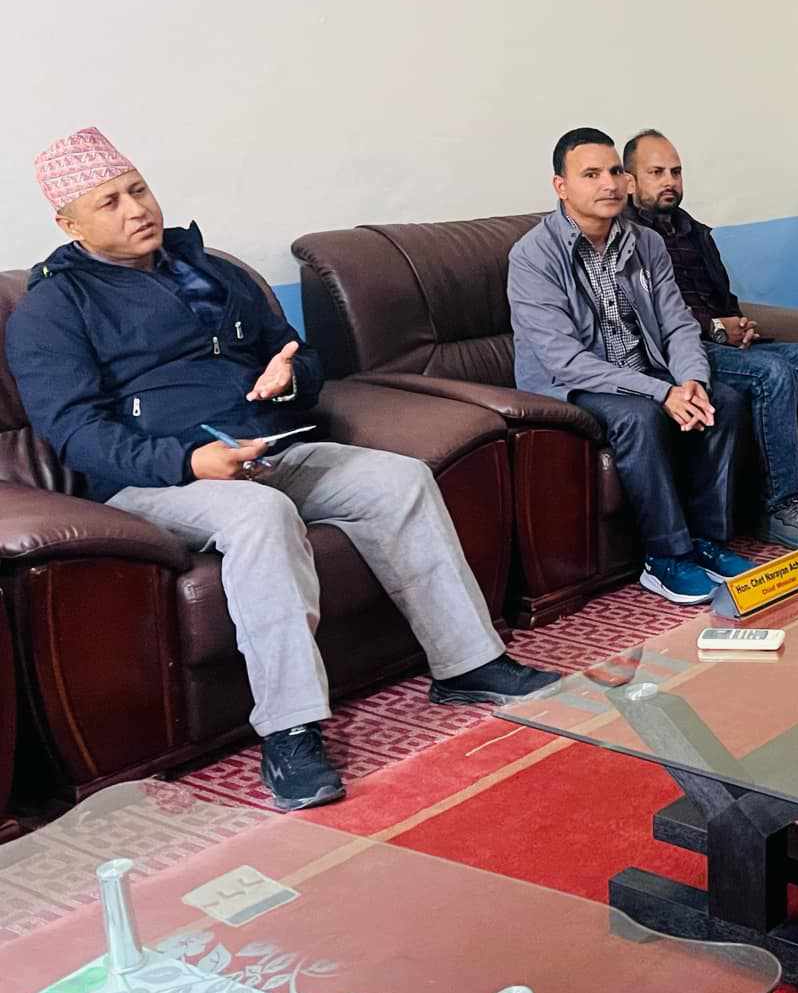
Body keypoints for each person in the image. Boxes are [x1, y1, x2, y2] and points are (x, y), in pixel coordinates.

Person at [5, 128, 559, 812]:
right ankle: (291, 730)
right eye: (110, 202)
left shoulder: (214, 270)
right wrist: (187, 460)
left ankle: (469, 663)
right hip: (153, 481)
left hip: (268, 449)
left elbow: (299, 357)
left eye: (138, 189)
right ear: (70, 225)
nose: (137, 209)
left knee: (399, 480)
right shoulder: (53, 310)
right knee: (263, 515)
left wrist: (290, 378)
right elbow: (75, 435)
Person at [508, 128, 753, 606]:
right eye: (591, 174)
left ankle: (706, 541)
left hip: (645, 370)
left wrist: (691, 381)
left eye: (615, 171)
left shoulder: (646, 243)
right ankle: (665, 558)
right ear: (561, 186)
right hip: (572, 384)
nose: (609, 183)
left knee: (721, 401)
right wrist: (661, 393)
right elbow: (565, 360)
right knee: (640, 417)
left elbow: (678, 324)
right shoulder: (533, 256)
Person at [622, 128, 798, 550]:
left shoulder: (694, 231)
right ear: (630, 182)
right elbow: (652, 314)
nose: (670, 182)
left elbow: (723, 297)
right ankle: (780, 510)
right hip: (680, 352)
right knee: (772, 372)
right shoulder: (627, 238)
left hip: (722, 342)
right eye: (656, 172)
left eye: (676, 172)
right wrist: (716, 328)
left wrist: (739, 325)